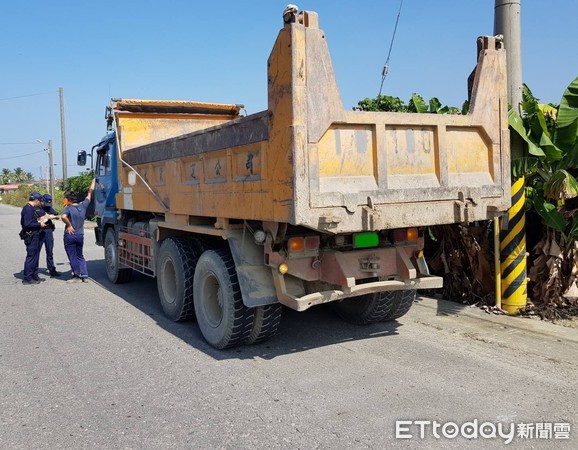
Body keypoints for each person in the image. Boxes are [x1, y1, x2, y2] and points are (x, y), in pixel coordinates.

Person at [61, 179, 96, 282]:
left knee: (72, 256)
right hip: (80, 235)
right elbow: (90, 193)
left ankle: (76, 276)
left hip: (70, 235)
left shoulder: (68, 208)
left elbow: (63, 217)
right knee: (80, 255)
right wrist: (93, 182)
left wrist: (69, 225)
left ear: (69, 200)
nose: (65, 201)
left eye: (65, 199)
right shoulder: (83, 205)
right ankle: (84, 275)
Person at [20, 192, 47, 285]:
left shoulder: (32, 209)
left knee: (36, 255)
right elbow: (27, 224)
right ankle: (27, 277)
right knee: (31, 256)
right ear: (36, 200)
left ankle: (34, 275)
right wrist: (39, 224)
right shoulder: (27, 209)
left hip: (36, 235)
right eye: (39, 201)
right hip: (31, 235)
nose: (39, 203)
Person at [40, 194, 62, 277]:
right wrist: (44, 217)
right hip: (40, 231)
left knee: (49, 251)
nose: (47, 205)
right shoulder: (38, 208)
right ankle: (33, 272)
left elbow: (57, 216)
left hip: (49, 231)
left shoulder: (49, 208)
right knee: (36, 252)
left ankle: (52, 269)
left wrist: (52, 217)